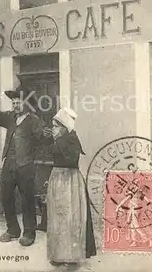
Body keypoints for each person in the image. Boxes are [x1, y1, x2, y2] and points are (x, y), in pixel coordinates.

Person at [0, 86, 52, 247]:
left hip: (26, 164)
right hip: (9, 162)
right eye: (14, 102)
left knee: (27, 199)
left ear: (27, 104)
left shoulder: (34, 120)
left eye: (18, 103)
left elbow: (43, 138)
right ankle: (12, 230)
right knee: (6, 196)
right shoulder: (10, 117)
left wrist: (47, 134)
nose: (15, 105)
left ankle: (29, 234)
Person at [46, 107, 97, 269]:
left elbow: (70, 160)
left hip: (69, 181)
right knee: (57, 218)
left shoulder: (71, 139)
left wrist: (57, 142)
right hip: (58, 179)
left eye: (55, 126)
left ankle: (70, 256)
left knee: (69, 218)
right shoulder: (61, 139)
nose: (53, 129)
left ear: (63, 127)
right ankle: (59, 255)